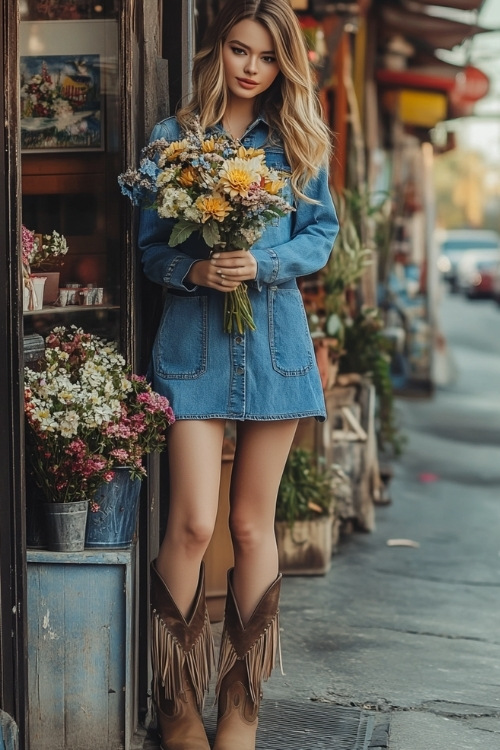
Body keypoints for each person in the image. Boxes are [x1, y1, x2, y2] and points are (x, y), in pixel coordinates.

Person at [138, 1, 339, 748]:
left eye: (264, 56)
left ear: (284, 64)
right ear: (216, 50)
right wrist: (195, 267)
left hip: (277, 349)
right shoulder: (174, 140)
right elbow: (150, 252)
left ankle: (242, 709)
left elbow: (322, 235)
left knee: (254, 526)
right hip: (192, 349)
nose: (249, 67)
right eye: (238, 50)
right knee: (191, 522)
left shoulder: (298, 142)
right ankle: (177, 702)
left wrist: (264, 262)